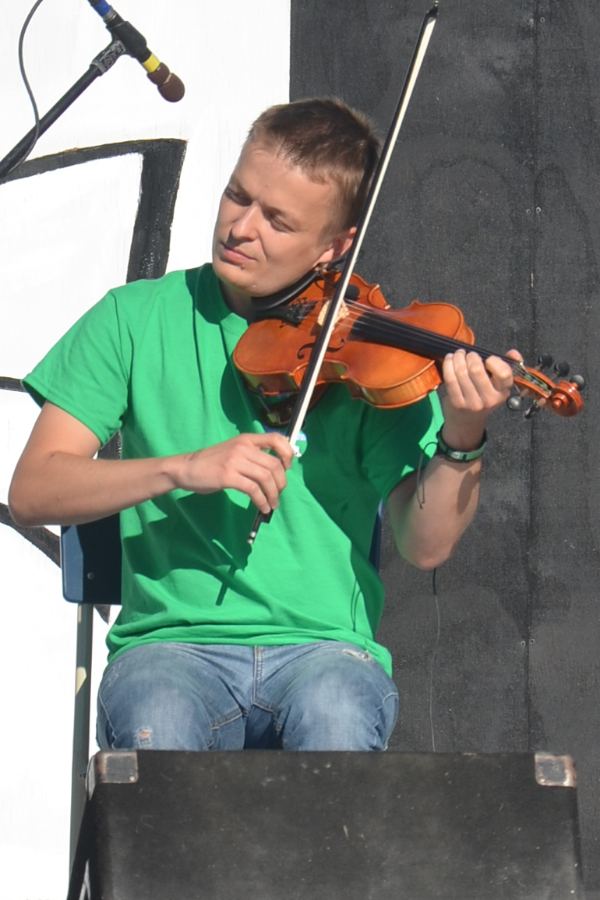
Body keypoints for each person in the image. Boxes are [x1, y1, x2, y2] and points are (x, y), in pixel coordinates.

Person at [9, 98, 517, 753]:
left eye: (277, 220)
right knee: (158, 715)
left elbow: (426, 545)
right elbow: (33, 491)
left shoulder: (368, 354)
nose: (240, 228)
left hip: (325, 649)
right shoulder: (133, 319)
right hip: (170, 647)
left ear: (334, 247)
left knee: (335, 712)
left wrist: (462, 436)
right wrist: (183, 468)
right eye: (236, 196)